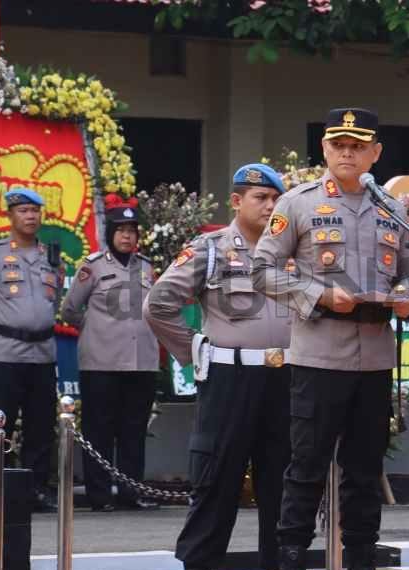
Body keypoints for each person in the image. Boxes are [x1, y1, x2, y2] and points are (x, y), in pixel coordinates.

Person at [251, 108, 409, 570]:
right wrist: (320, 295)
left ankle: (361, 558)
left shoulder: (392, 208)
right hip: (319, 356)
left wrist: (406, 296)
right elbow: (261, 270)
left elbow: (407, 273)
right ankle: (291, 557)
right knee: (306, 467)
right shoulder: (298, 204)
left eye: (357, 146)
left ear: (375, 153)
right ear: (324, 148)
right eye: (338, 145)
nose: (347, 153)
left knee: (365, 470)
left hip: (375, 358)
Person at [144, 164, 291, 570]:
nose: (270, 206)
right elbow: (157, 305)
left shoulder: (292, 251)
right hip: (230, 379)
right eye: (261, 198)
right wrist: (196, 351)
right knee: (216, 486)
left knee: (285, 495)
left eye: (276, 199)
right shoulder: (210, 249)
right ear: (237, 201)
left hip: (287, 380)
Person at [0, 188, 65, 512]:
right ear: (10, 215)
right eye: (23, 211)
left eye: (35, 211)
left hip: (43, 355)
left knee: (41, 427)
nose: (30, 216)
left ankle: (36, 490)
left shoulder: (51, 256)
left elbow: (56, 300)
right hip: (4, 355)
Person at [61, 197, 160, 512]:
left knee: (134, 431)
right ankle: (100, 495)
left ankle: (131, 494)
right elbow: (70, 309)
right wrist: (95, 329)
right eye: (121, 230)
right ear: (110, 234)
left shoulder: (146, 267)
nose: (127, 236)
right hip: (101, 362)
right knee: (99, 430)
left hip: (141, 363)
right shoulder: (93, 267)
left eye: (132, 231)